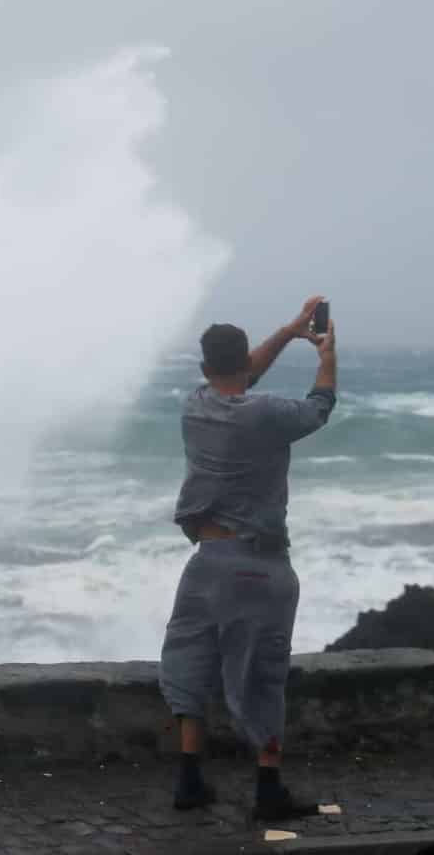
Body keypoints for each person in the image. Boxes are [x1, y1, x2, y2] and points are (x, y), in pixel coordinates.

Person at [159, 296, 337, 820]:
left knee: (190, 662)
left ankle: (189, 778)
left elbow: (240, 376)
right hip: (256, 566)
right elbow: (319, 407)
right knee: (261, 674)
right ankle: (267, 787)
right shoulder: (267, 414)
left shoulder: (196, 404)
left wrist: (288, 330)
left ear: (204, 368)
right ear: (241, 364)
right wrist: (325, 353)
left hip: (205, 562)